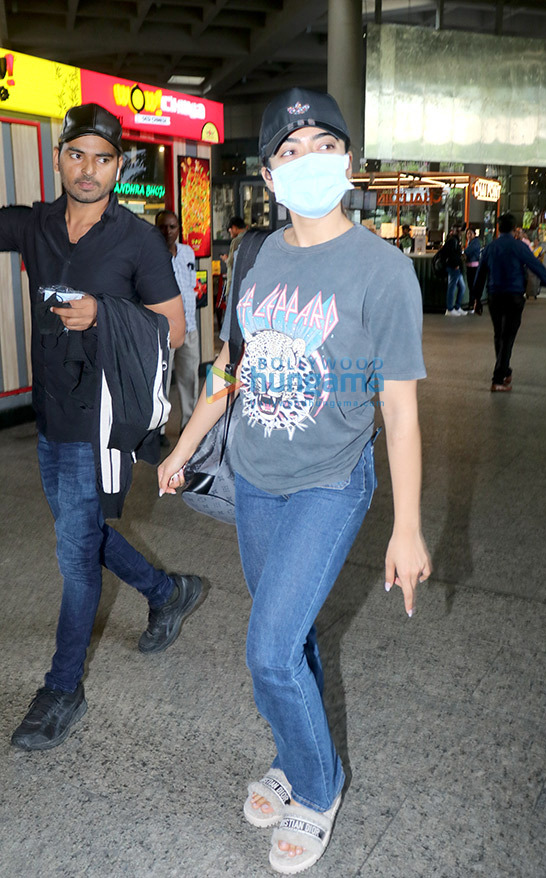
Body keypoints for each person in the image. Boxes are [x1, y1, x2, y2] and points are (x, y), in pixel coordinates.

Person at [158, 87, 431, 874]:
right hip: (256, 477)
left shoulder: (383, 271)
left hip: (327, 480)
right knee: (293, 635)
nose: (308, 159)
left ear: (346, 161)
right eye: (288, 150)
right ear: (270, 177)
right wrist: (186, 445)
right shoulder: (256, 255)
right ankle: (292, 754)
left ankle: (317, 788)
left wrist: (407, 526)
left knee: (268, 650)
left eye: (323, 144)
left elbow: (401, 412)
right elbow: (230, 370)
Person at [3, 104, 203, 752]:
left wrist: (104, 313)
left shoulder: (136, 239)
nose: (88, 169)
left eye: (103, 158)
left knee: (72, 552)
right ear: (60, 158)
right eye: (77, 154)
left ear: (119, 166)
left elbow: (172, 327)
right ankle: (166, 590)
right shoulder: (36, 226)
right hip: (52, 413)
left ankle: (64, 688)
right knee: (79, 534)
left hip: (101, 421)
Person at [473, 212, 546, 392]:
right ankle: (498, 379)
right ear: (514, 228)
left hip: (494, 296)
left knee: (499, 335)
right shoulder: (519, 247)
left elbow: (481, 274)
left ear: (498, 228)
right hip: (514, 296)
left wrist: (477, 298)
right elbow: (534, 263)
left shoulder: (490, 247)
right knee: (508, 337)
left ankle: (505, 370)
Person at [156, 209, 201, 432]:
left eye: (172, 227)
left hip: (190, 327)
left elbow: (191, 287)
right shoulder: (151, 255)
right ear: (156, 229)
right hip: (164, 330)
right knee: (161, 381)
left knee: (190, 377)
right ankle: (160, 429)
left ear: (178, 229)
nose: (168, 231)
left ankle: (188, 425)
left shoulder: (188, 253)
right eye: (163, 227)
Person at [443, 226, 467, 316]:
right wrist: (455, 264)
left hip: (456, 267)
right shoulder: (453, 241)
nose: (461, 233)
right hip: (454, 267)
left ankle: (456, 307)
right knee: (452, 287)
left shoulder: (454, 240)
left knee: (461, 287)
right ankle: (450, 308)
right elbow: (451, 254)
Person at [223, 215, 247, 301]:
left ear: (234, 228)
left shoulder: (236, 241)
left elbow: (231, 262)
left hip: (234, 284)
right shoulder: (251, 237)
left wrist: (226, 259)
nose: (230, 231)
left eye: (230, 229)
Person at [463, 228, 482, 314]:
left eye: (470, 233)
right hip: (470, 266)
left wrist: (464, 253)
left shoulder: (475, 242)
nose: (469, 235)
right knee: (471, 286)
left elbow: (468, 251)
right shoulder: (470, 242)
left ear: (474, 234)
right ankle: (472, 304)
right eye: (467, 234)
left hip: (473, 267)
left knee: (473, 286)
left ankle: (473, 304)